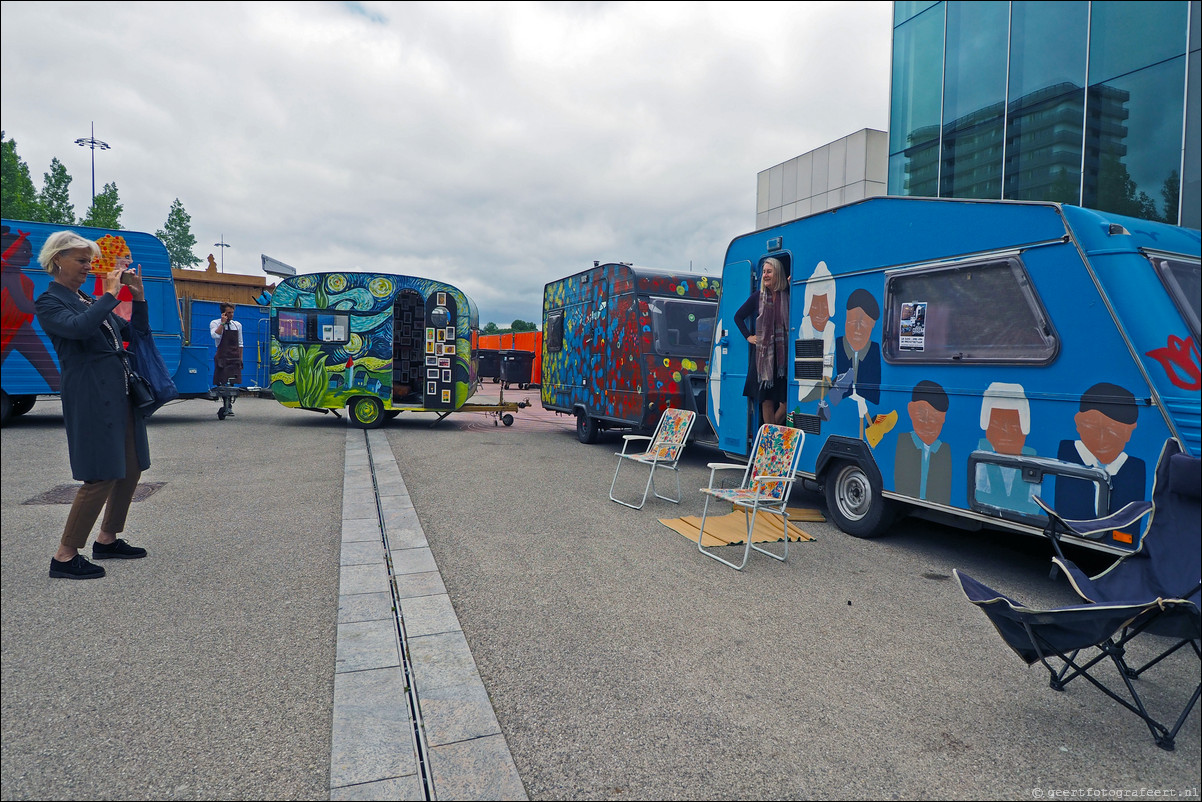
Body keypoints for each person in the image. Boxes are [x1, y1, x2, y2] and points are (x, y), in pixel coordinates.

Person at [34, 230, 151, 580]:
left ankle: (107, 538)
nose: (88, 266)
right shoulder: (50, 302)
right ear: (58, 260)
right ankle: (65, 556)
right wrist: (110, 294)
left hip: (119, 392)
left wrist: (138, 296)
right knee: (100, 473)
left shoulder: (85, 298)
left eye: (90, 260)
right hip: (89, 394)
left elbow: (133, 334)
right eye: (81, 260)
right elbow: (80, 330)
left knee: (131, 467)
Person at [734, 256, 790, 426]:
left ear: (778, 274)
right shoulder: (758, 296)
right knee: (766, 401)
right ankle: (772, 439)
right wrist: (748, 337)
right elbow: (738, 316)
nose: (765, 275)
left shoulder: (787, 295)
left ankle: (769, 432)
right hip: (763, 357)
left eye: (769, 272)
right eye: (764, 272)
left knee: (786, 403)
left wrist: (791, 284)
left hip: (781, 358)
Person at [210, 302, 244, 389]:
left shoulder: (237, 325)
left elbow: (240, 343)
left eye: (232, 312)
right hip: (222, 357)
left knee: (232, 383)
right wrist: (222, 323)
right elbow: (215, 335)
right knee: (221, 383)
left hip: (234, 358)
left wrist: (240, 359)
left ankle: (229, 402)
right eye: (229, 313)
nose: (231, 315)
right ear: (223, 313)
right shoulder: (215, 323)